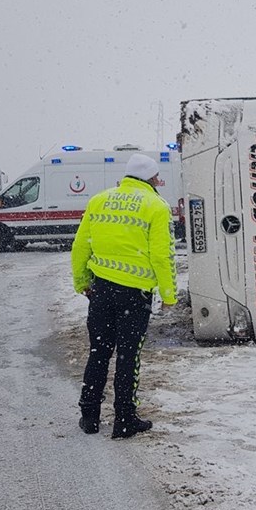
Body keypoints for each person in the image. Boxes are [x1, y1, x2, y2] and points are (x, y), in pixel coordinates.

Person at [72, 154, 178, 438]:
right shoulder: (156, 206)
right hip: (134, 295)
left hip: (102, 290)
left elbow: (80, 246)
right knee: (128, 356)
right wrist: (169, 294)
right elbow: (162, 256)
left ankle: (89, 416)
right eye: (157, 178)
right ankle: (124, 419)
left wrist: (82, 281)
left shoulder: (99, 200)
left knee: (99, 352)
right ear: (152, 179)